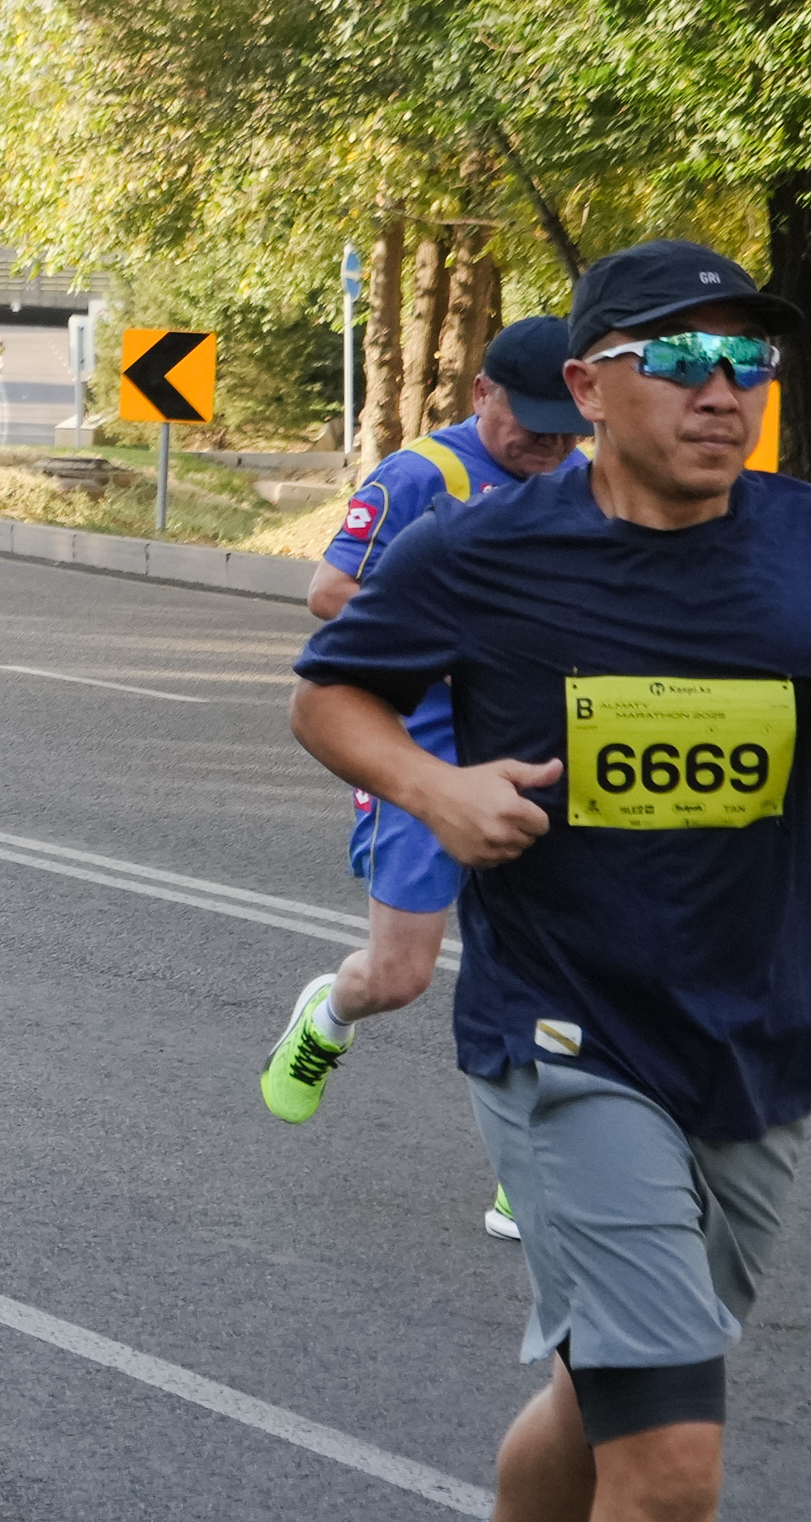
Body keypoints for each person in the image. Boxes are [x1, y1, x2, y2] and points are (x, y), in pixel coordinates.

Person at [289, 240, 807, 1522]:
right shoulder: (479, 550)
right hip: (569, 1033)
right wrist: (435, 788)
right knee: (670, 1460)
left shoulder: (802, 541)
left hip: (758, 1033)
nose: (722, 388)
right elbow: (331, 694)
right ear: (587, 386)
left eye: (748, 357)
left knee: (605, 1396)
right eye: (680, 355)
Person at [261, 315, 592, 1250]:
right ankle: (328, 1015)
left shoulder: (584, 483)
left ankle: (532, 1171)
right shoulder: (424, 476)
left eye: (567, 429)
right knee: (401, 976)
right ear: (482, 393)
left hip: (543, 755)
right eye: (531, 423)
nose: (549, 446)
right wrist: (464, 636)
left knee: (568, 964)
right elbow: (329, 591)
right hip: (423, 753)